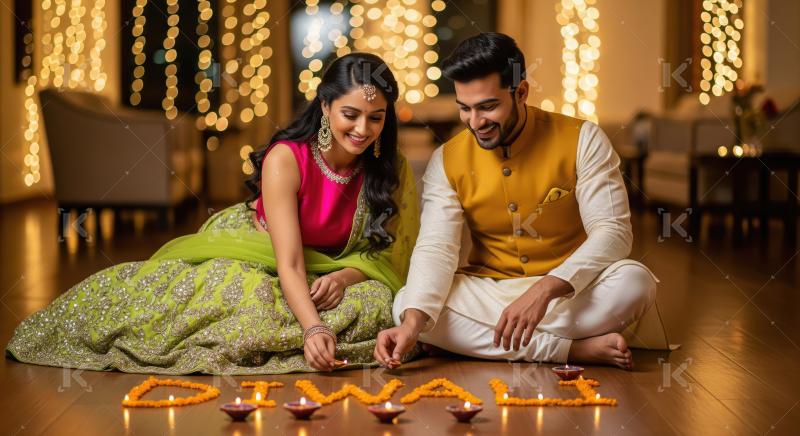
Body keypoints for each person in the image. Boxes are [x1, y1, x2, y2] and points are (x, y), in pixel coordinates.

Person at [6, 53, 419, 375]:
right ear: (326, 106)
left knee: (379, 304)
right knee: (244, 303)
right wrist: (313, 328)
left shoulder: (388, 168)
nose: (363, 129)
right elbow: (290, 264)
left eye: (376, 118)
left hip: (333, 266)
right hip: (261, 251)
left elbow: (388, 254)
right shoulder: (287, 159)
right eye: (351, 114)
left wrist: (344, 277)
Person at [374, 33, 658, 370]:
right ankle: (569, 350)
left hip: (568, 292)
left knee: (635, 283)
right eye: (465, 108)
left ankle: (485, 341)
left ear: (521, 92)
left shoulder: (583, 139)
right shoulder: (446, 159)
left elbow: (613, 232)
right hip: (490, 292)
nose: (475, 123)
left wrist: (545, 290)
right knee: (408, 304)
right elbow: (437, 247)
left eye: (488, 107)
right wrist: (412, 325)